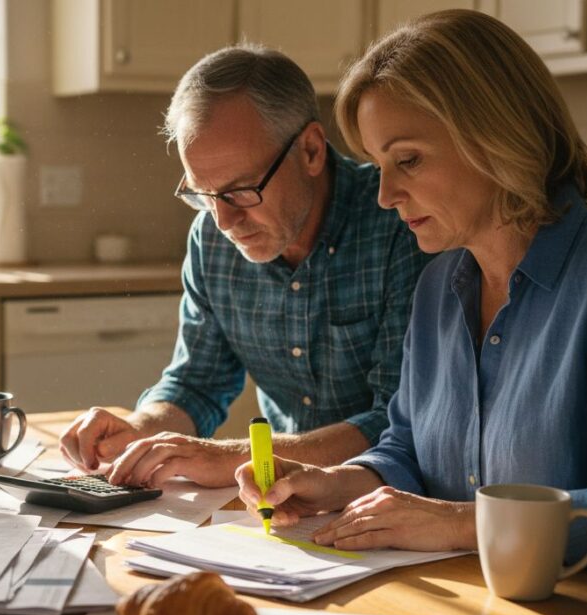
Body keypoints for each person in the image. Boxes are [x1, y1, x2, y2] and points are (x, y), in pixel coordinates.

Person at [237, 9, 587, 591]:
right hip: (478, 611)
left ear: (496, 135)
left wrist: (461, 523)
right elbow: (408, 449)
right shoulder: (438, 285)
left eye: (407, 159)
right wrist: (337, 481)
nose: (385, 194)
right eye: (379, 166)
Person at [59, 45, 430, 488]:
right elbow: (196, 384)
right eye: (202, 194)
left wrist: (231, 456)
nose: (224, 221)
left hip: (395, 498)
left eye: (240, 191)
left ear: (310, 150)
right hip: (285, 498)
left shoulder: (402, 224)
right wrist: (142, 429)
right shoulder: (210, 239)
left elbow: (399, 419)